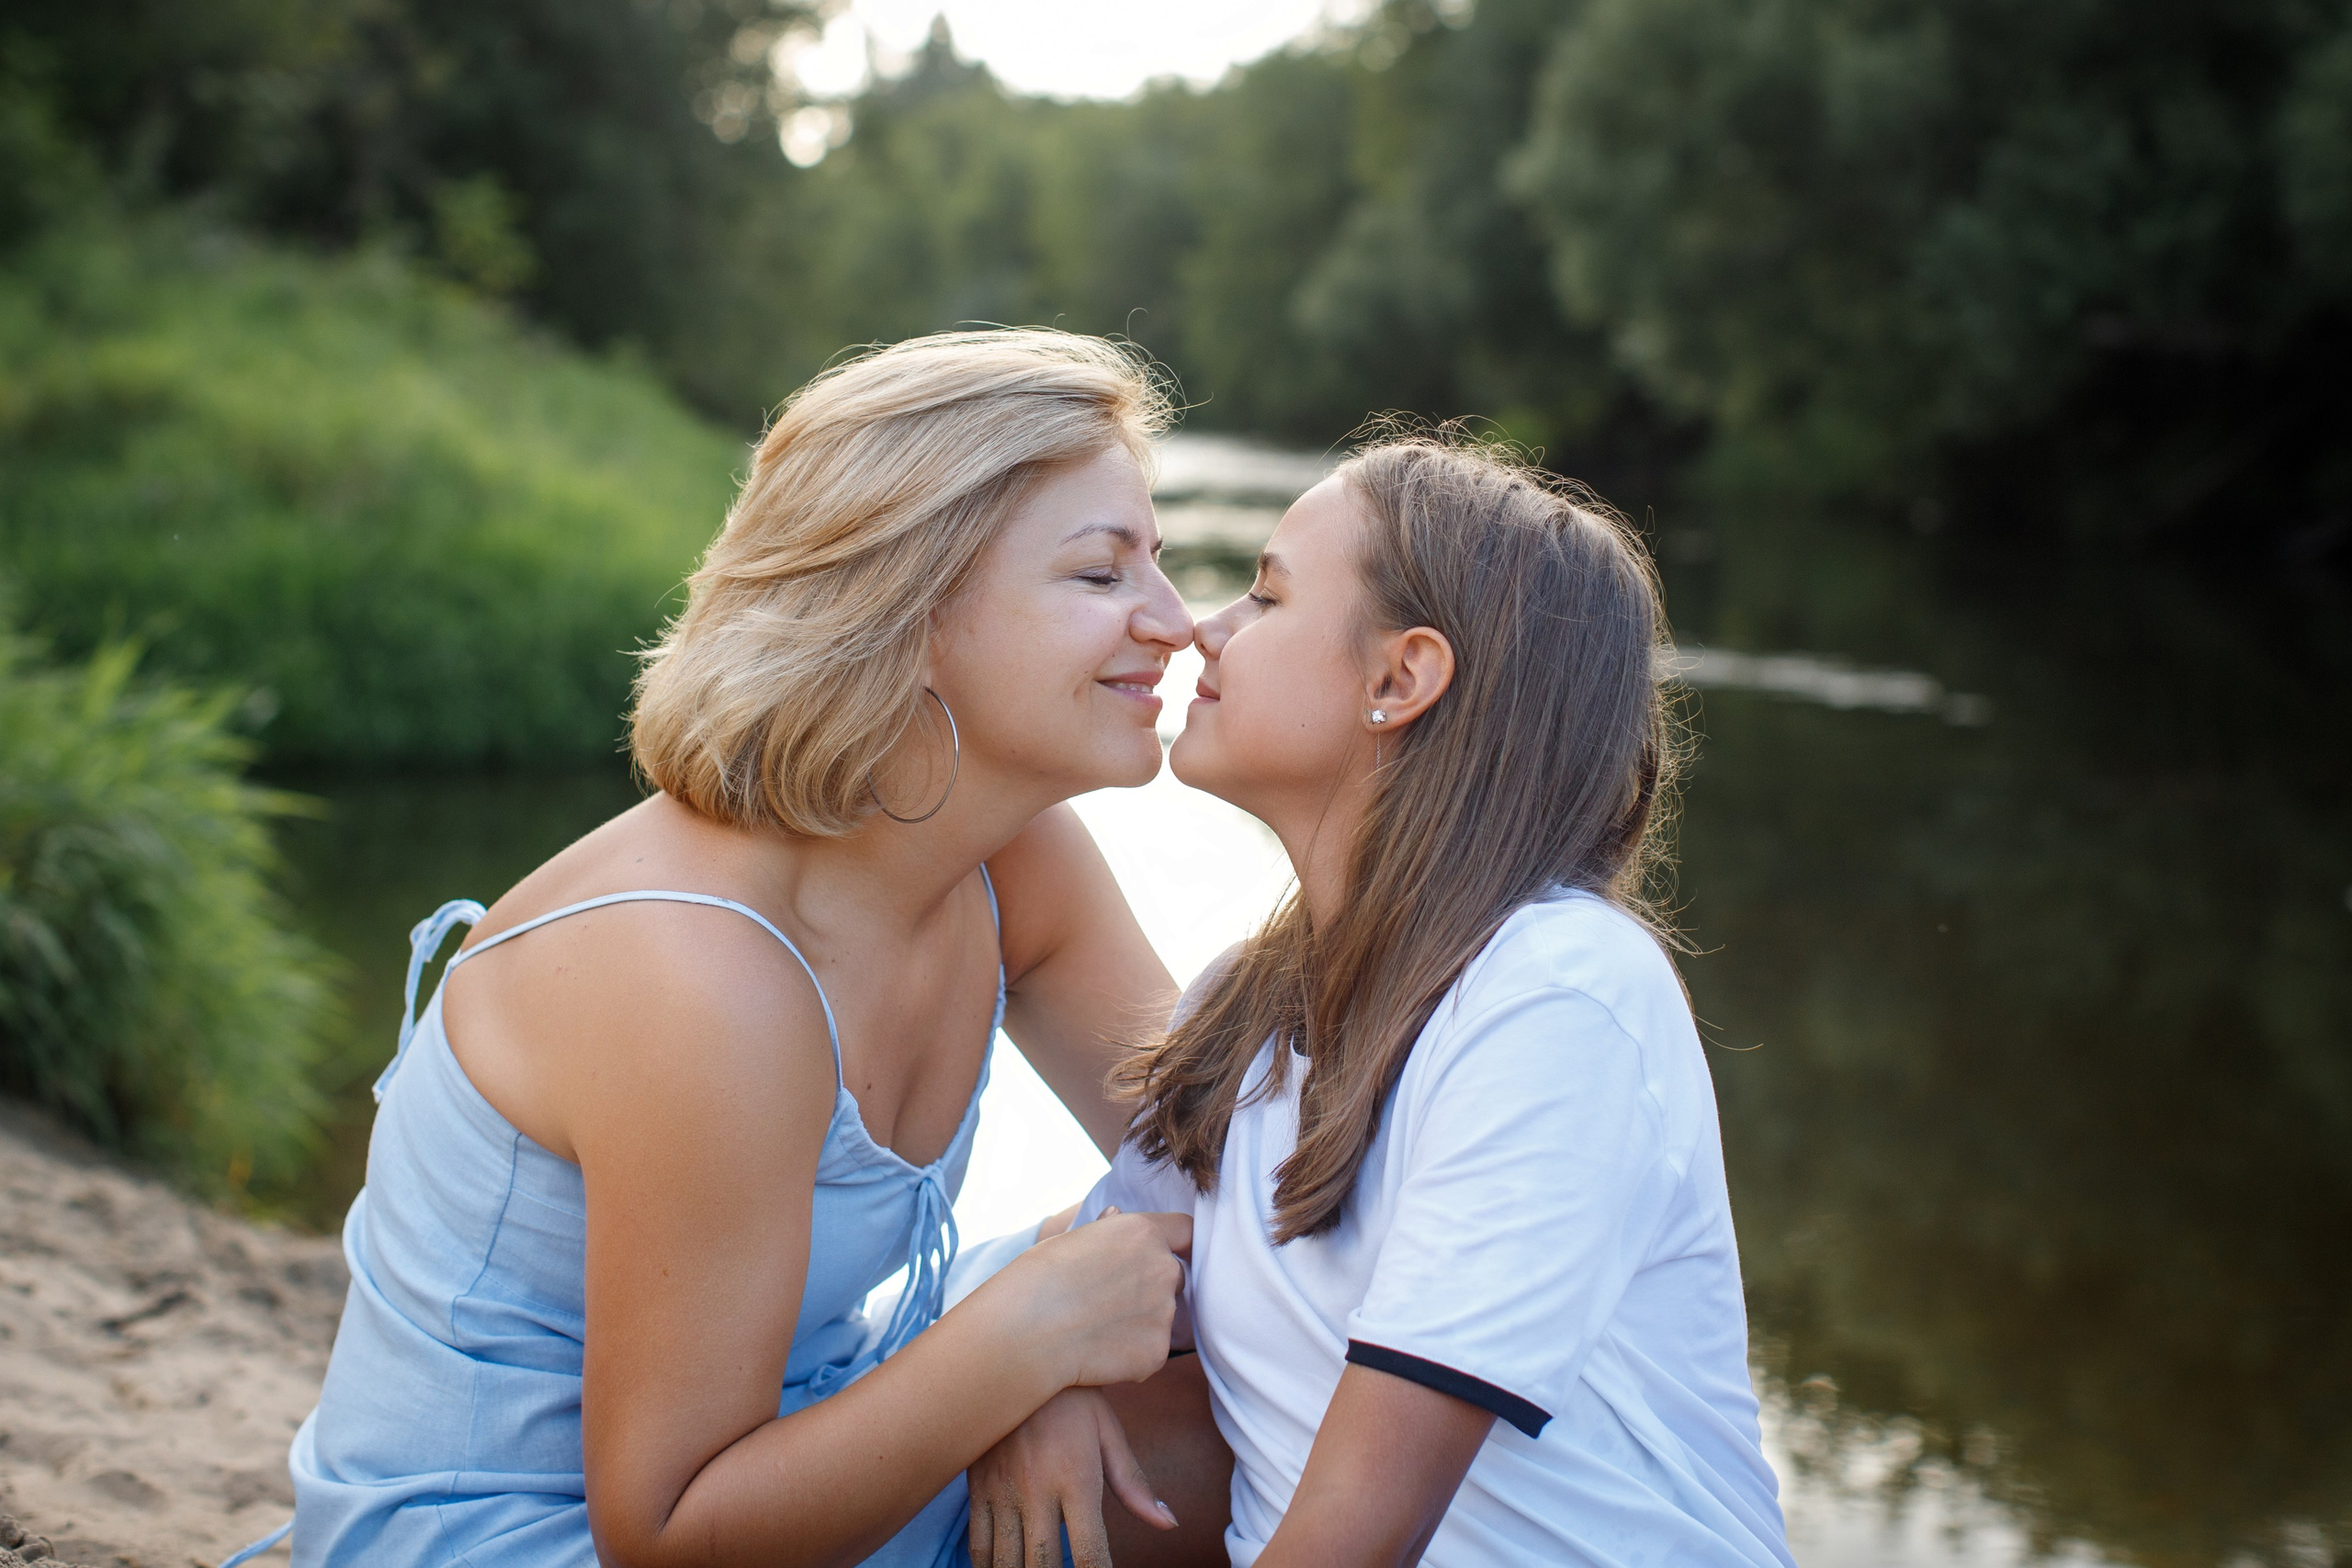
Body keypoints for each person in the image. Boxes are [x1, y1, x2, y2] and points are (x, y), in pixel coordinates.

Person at [279, 331, 1218, 1568]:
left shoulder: (1014, 860)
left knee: (1264, 1387)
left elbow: (1239, 1184)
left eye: (1155, 560)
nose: (1178, 619)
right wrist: (1014, 1349)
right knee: (1214, 1454)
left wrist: (1042, 1363)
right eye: (1103, 575)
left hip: (809, 1414)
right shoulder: (699, 973)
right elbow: (665, 1532)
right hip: (527, 1535)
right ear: (910, 611)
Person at [967, 432, 1796, 1568]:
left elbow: (1356, 1537)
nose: (1201, 629)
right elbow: (1099, 1283)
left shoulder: (1555, 997)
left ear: (1398, 679)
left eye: (1264, 596)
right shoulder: (1246, 1012)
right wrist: (1032, 1388)